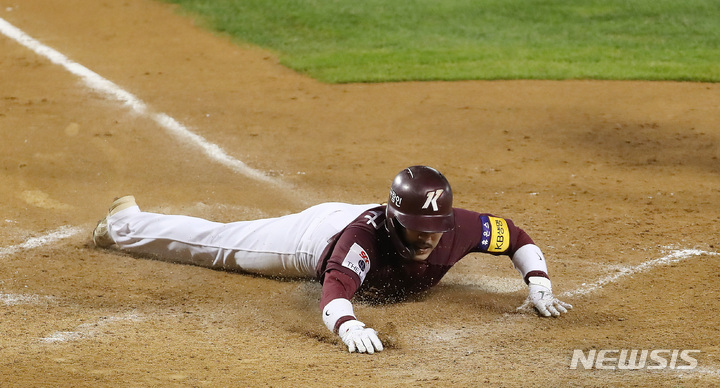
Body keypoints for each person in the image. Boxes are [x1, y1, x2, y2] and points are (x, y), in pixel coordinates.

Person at [92, 165, 572, 354]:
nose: (427, 239)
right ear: (395, 218)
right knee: (224, 246)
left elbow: (517, 237)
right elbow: (335, 290)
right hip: (314, 238)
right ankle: (124, 225)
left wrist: (539, 282)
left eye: (434, 229)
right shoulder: (364, 241)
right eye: (416, 229)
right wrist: (349, 327)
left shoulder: (455, 226)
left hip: (352, 220)